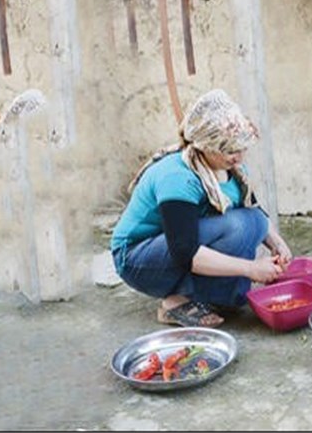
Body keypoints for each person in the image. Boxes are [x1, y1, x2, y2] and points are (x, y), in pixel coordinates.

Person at [110, 89, 293, 328]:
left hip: (175, 245)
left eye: (241, 148)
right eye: (229, 150)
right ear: (206, 146)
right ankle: (176, 301)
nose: (239, 157)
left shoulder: (233, 170)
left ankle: (211, 295)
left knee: (254, 221)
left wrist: (278, 244)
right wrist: (251, 269)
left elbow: (254, 209)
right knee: (237, 225)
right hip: (137, 258)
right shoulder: (177, 177)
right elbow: (185, 251)